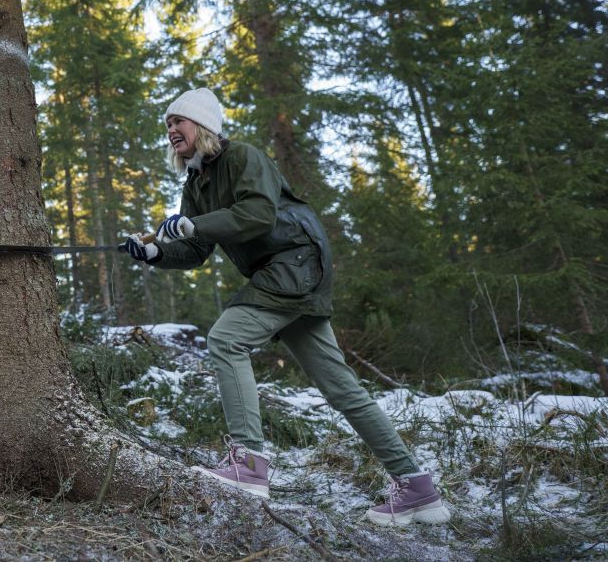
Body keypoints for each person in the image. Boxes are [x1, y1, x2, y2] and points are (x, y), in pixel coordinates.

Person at [122, 88, 452, 527]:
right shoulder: (196, 182)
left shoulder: (241, 157)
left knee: (226, 338)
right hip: (284, 273)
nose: (170, 131)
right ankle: (417, 488)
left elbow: (258, 214)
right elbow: (198, 248)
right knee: (340, 387)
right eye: (167, 125)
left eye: (178, 122)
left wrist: (193, 223)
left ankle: (249, 466)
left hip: (293, 261)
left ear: (202, 126)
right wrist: (157, 255)